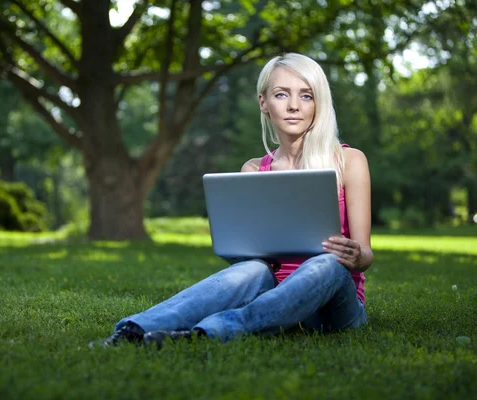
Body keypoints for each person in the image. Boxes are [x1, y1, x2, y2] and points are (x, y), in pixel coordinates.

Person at [91, 52, 373, 349]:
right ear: (264, 103)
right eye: (281, 94)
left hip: (335, 304)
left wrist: (356, 256)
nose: (293, 106)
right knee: (252, 270)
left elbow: (365, 255)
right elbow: (247, 257)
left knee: (327, 264)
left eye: (306, 96)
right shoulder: (253, 170)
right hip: (274, 296)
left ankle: (208, 333)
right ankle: (134, 331)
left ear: (319, 103)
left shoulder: (348, 160)